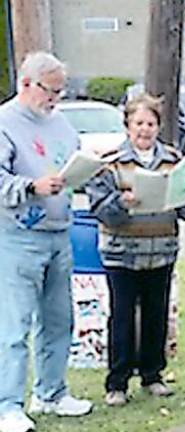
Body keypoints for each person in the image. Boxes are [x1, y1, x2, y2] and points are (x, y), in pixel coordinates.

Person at [87, 93, 185, 406]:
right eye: (138, 123)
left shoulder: (174, 160)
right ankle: (117, 382)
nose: (145, 129)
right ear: (127, 125)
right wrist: (120, 203)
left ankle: (153, 374)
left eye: (151, 123)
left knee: (157, 313)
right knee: (122, 317)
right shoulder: (109, 162)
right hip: (121, 253)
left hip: (162, 249)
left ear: (158, 126)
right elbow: (99, 207)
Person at [0, 52, 93, 432]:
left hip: (59, 232)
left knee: (59, 319)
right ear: (26, 84)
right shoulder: (4, 123)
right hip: (17, 236)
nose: (55, 98)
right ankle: (8, 404)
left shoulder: (62, 124)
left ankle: (52, 392)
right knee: (15, 324)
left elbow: (72, 161)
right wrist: (30, 187)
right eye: (50, 91)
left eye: (60, 91)